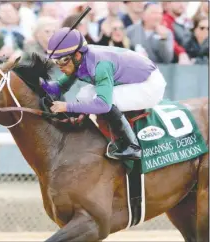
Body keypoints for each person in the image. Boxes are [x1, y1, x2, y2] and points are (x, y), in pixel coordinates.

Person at [40, 27, 167, 160]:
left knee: (102, 100)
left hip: (149, 85)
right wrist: (40, 83)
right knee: (84, 94)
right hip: (132, 78)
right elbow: (59, 87)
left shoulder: (100, 65)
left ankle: (132, 147)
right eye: (56, 61)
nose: (59, 66)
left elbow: (103, 105)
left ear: (77, 55)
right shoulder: (79, 59)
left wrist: (67, 107)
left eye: (62, 60)